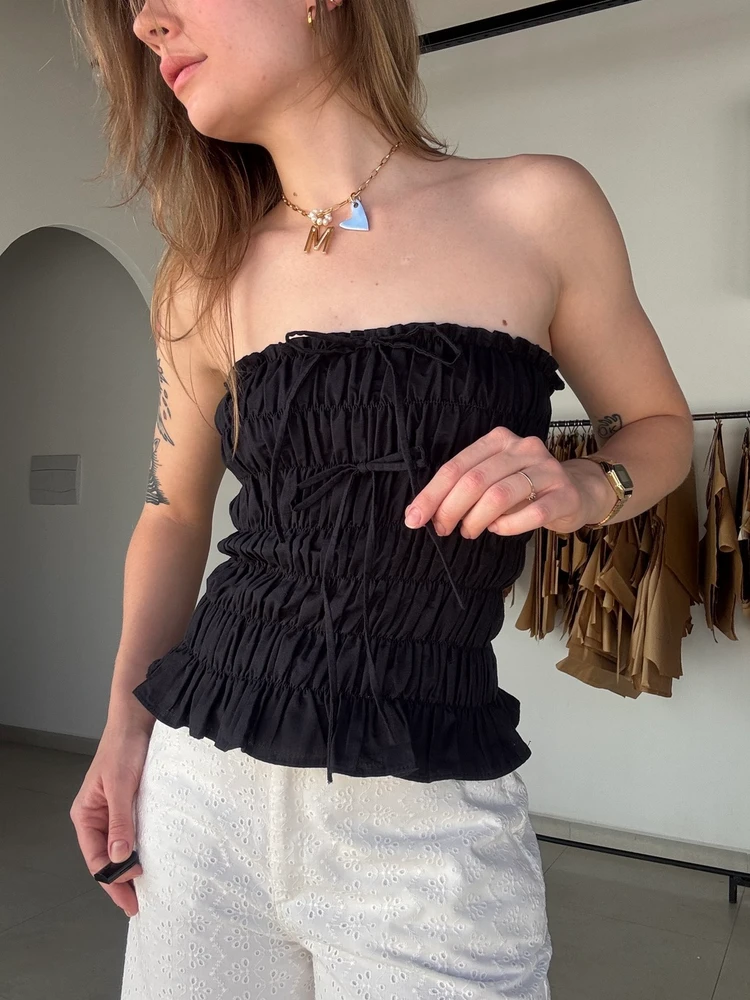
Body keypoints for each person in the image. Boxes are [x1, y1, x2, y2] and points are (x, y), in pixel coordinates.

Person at [66, 0, 695, 997]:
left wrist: (589, 482)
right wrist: (123, 727)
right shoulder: (203, 275)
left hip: (428, 810)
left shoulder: (537, 206)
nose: (147, 23)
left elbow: (659, 426)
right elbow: (173, 513)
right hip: (202, 791)